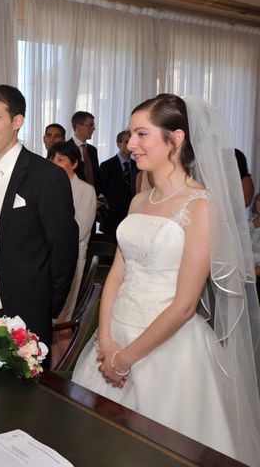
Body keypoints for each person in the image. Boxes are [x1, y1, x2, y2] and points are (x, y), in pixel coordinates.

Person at [72, 94, 260, 465]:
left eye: (142, 134)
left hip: (167, 347)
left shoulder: (202, 206)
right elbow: (117, 275)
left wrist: (126, 358)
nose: (130, 144)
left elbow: (186, 305)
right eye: (130, 135)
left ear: (175, 139)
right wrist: (107, 340)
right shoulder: (139, 200)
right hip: (113, 338)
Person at [0, 85, 78, 347]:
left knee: (25, 389)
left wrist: (46, 307)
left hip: (28, 312)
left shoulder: (47, 177)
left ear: (17, 122)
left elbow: (63, 247)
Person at [47, 141, 97, 364]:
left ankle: (65, 367)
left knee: (62, 320)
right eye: (52, 159)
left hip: (71, 261)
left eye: (61, 160)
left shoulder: (85, 190)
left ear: (75, 163)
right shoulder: (47, 186)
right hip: (47, 260)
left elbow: (80, 230)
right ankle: (54, 368)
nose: (55, 164)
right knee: (50, 320)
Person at [98, 130, 138, 242]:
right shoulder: (107, 166)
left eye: (131, 141)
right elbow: (101, 192)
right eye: (126, 142)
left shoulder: (138, 166)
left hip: (131, 215)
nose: (129, 145)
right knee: (107, 254)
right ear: (118, 144)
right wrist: (105, 214)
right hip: (112, 218)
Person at [65, 111, 101, 191]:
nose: (94, 128)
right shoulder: (66, 149)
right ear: (78, 127)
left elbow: (96, 176)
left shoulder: (93, 150)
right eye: (90, 125)